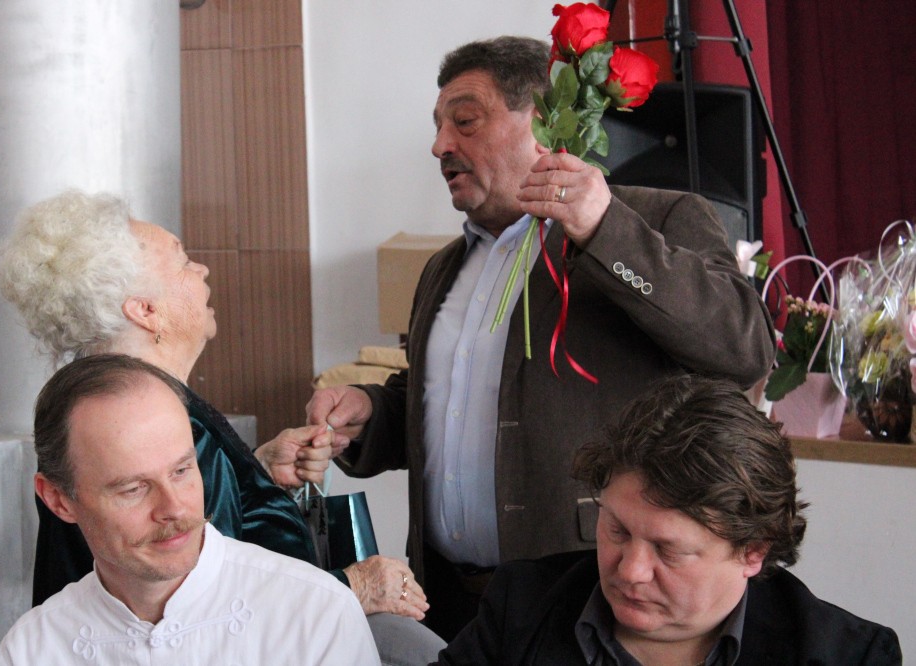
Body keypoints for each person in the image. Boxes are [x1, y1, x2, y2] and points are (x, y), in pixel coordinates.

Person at [306, 36, 775, 640]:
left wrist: (605, 230)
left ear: (543, 121)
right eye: (438, 126)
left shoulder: (653, 220)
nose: (440, 145)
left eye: (465, 122)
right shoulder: (442, 269)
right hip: (446, 602)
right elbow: (452, 405)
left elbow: (743, 347)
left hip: (584, 596)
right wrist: (370, 413)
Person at [0, 190, 445, 664]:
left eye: (183, 471)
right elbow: (194, 610)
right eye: (183, 261)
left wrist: (256, 472)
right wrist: (351, 586)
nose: (203, 270)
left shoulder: (105, 417)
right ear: (145, 310)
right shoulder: (163, 423)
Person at [433, 374, 903, 665]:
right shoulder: (521, 608)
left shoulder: (846, 656)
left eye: (668, 549)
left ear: (753, 551)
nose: (630, 570)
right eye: (617, 530)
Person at [0, 354, 380, 665]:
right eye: (133, 488)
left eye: (181, 471)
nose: (174, 508)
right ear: (58, 499)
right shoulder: (31, 650)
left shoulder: (314, 613)